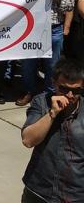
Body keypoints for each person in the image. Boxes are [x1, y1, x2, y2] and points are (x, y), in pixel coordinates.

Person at [20, 58, 84, 202]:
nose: (70, 95)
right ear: (53, 83)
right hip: (39, 191)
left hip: (75, 195)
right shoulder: (41, 103)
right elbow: (28, 140)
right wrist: (52, 114)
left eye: (76, 90)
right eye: (64, 89)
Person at [20, 0, 75, 106]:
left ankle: (48, 94)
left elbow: (69, 6)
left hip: (53, 29)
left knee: (52, 65)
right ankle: (30, 91)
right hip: (32, 29)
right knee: (28, 63)